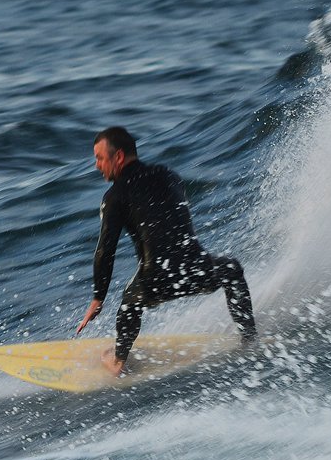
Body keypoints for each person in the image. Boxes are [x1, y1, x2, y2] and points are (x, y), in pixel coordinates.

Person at [75, 126, 256, 375]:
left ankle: (118, 361)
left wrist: (98, 297)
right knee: (231, 270)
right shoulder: (168, 174)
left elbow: (106, 249)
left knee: (129, 302)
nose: (96, 165)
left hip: (156, 280)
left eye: (99, 158)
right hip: (194, 268)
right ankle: (249, 340)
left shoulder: (114, 196)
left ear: (118, 157)